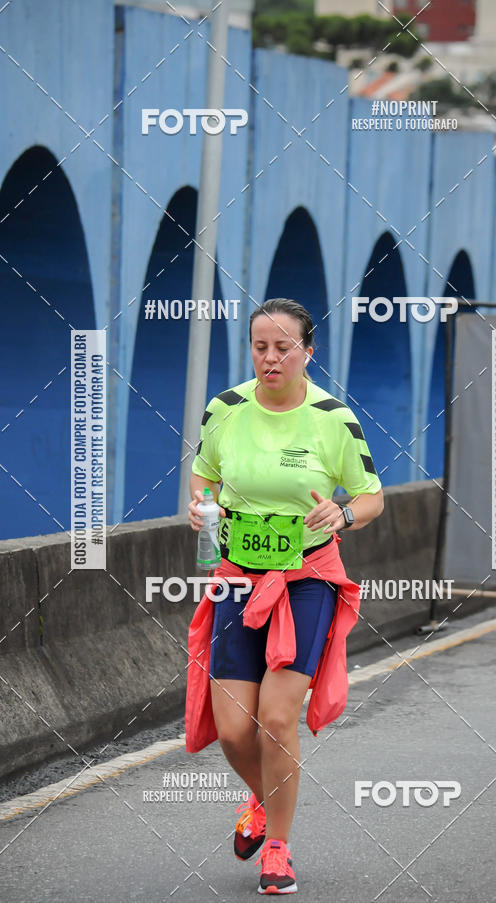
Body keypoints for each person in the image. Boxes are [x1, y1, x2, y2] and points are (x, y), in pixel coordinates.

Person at [185, 297, 383, 895]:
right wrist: (202, 507)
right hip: (238, 579)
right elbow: (204, 475)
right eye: (260, 347)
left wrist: (342, 513)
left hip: (307, 580)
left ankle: (278, 849)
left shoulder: (332, 419)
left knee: (275, 720)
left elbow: (372, 497)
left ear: (307, 353)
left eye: (283, 348)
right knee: (235, 729)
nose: (270, 358)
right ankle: (264, 801)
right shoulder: (224, 409)